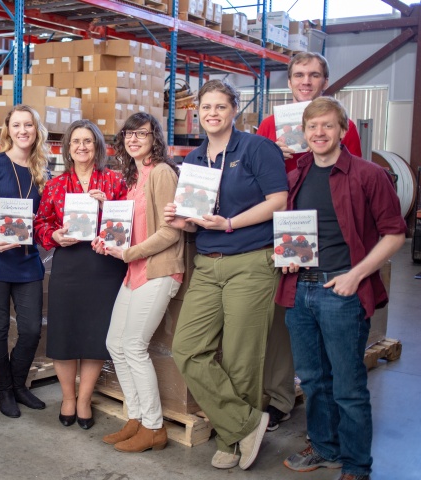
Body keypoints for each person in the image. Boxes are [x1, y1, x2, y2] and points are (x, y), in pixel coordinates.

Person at [277, 97, 405, 480]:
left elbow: (394, 234)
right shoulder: (296, 175)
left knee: (348, 386)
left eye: (328, 126)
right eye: (313, 127)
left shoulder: (368, 175)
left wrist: (356, 274)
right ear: (304, 131)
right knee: (314, 380)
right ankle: (325, 448)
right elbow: (293, 229)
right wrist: (287, 255)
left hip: (342, 292)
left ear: (342, 130)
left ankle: (356, 465)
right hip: (299, 290)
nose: (319, 133)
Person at [167, 80, 288, 470]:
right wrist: (181, 220)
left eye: (221, 106)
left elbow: (278, 200)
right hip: (207, 261)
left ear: (235, 109)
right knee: (187, 348)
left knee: (241, 358)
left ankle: (232, 441)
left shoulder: (256, 148)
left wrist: (230, 223)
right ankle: (246, 424)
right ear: (197, 112)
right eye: (206, 107)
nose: (213, 113)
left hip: (250, 263)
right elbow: (197, 220)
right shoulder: (196, 159)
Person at [257, 51, 363, 432]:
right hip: (284, 231)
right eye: (299, 75)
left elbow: (353, 181)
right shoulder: (270, 124)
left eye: (314, 75)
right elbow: (255, 181)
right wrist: (273, 154)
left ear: (325, 81)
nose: (306, 81)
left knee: (324, 322)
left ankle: (329, 410)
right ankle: (281, 397)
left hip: (329, 237)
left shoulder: (340, 124)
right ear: (288, 82)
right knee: (283, 320)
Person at [95, 112, 184, 452]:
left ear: (154, 138)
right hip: (134, 270)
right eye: (128, 134)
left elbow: (171, 231)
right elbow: (128, 225)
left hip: (159, 269)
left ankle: (154, 427)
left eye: (141, 134)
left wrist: (130, 252)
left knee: (133, 345)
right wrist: (108, 238)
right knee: (116, 343)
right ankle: (135, 417)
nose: (133, 139)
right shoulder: (133, 177)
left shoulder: (161, 173)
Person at [34, 120, 128, 430]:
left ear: (98, 146)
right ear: (68, 148)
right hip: (69, 265)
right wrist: (56, 236)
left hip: (104, 267)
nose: (82, 146)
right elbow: (40, 224)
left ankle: (85, 398)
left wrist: (109, 207)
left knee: (93, 335)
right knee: (64, 332)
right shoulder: (56, 185)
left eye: (88, 141)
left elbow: (127, 222)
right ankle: (68, 397)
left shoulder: (115, 182)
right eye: (76, 141)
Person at [0, 104, 49, 418]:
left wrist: (39, 217)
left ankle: (17, 384)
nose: (22, 131)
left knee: (30, 329)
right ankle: (2, 390)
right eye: (16, 125)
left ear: (36, 129)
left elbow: (47, 216)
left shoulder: (43, 170)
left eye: (28, 125)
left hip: (27, 259)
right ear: (8, 130)